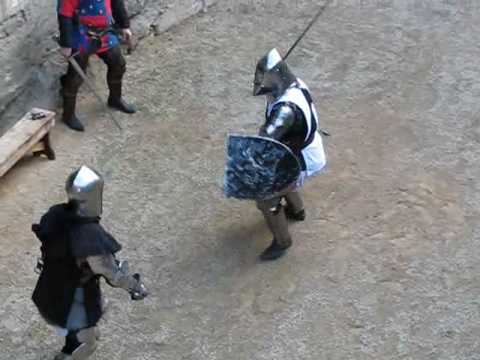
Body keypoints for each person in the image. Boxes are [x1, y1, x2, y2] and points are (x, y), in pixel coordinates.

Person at [32, 165, 148, 359]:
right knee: (87, 341)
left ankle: (70, 345)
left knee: (77, 328)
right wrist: (135, 287)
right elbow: (113, 273)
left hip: (50, 287)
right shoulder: (90, 236)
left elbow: (46, 248)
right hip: (75, 297)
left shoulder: (55, 214)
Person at [253, 48, 327, 261]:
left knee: (265, 196)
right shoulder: (295, 85)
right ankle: (297, 210)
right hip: (298, 149)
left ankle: (282, 242)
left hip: (301, 157)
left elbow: (266, 140)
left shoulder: (286, 109)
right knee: (283, 181)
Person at [58, 0, 136, 131]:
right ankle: (68, 114)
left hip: (106, 33)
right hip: (82, 35)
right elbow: (65, 15)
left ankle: (115, 99)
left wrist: (124, 25)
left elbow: (117, 3)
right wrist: (66, 44)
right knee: (75, 78)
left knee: (118, 64)